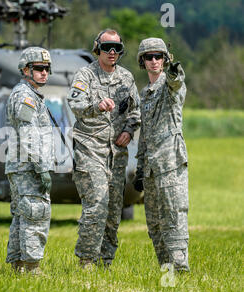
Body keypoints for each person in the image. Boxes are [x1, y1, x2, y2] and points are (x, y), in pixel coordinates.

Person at [66, 29, 141, 268]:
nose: (112, 52)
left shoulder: (127, 78)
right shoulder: (85, 74)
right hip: (91, 150)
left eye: (117, 48)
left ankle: (105, 262)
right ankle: (86, 260)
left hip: (117, 155)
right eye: (107, 47)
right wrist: (97, 105)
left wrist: (129, 131)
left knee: (112, 210)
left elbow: (135, 112)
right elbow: (76, 104)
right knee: (97, 204)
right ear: (97, 48)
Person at [133, 38, 190, 272]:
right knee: (155, 223)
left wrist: (175, 71)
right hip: (150, 168)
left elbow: (177, 83)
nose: (154, 61)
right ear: (143, 61)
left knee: (173, 216)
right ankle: (166, 272)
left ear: (165, 60)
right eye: (149, 57)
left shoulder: (170, 85)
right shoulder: (144, 93)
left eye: (159, 56)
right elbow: (144, 134)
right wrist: (139, 169)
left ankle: (181, 269)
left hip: (170, 164)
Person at [5, 47, 55, 274]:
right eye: (39, 69)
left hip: (21, 167)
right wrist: (42, 167)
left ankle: (18, 266)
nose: (44, 73)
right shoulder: (25, 96)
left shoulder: (29, 94)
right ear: (26, 70)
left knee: (22, 215)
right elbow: (28, 134)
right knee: (36, 213)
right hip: (28, 167)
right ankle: (32, 268)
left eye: (47, 69)